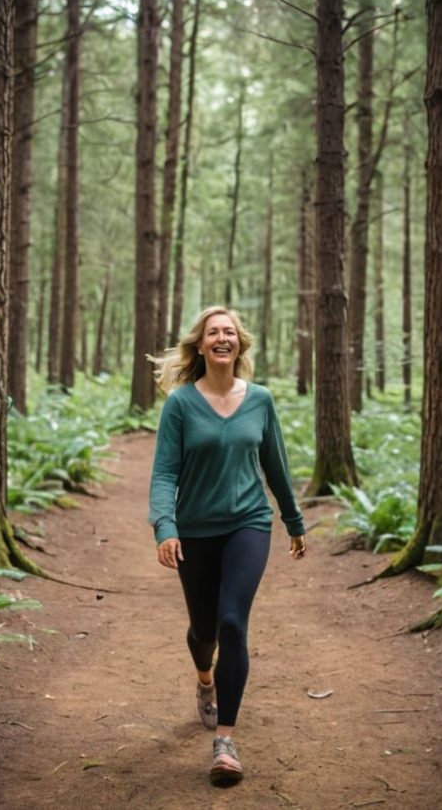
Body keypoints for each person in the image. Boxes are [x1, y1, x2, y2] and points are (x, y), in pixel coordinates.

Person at [148, 306, 306, 786]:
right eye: (213, 332)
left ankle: (225, 740)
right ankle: (204, 678)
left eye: (230, 332)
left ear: (240, 344)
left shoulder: (260, 400)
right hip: (194, 530)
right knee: (204, 631)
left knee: (233, 623)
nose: (222, 338)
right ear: (200, 345)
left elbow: (275, 465)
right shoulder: (180, 405)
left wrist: (293, 520)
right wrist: (165, 526)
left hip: (248, 523)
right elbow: (164, 474)